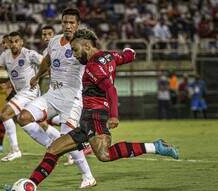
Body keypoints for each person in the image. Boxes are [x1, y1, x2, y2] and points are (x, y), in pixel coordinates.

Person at [11, 28, 178, 190]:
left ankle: (156, 146)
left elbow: (110, 89)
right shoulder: (109, 56)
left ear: (87, 46)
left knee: (104, 155)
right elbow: (127, 55)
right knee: (54, 149)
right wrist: (130, 51)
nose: (75, 55)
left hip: (96, 115)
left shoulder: (93, 67)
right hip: (87, 117)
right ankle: (30, 185)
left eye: (75, 50)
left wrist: (113, 116)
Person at [17, 8, 96, 188]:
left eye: (71, 23)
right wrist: (38, 76)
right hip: (52, 95)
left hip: (73, 99)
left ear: (78, 25)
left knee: (67, 138)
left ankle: (88, 176)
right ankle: (52, 145)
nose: (68, 26)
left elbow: (95, 62)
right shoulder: (53, 41)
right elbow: (47, 60)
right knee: (23, 117)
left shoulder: (84, 44)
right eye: (65, 22)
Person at [0, 31, 45, 162]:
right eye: (11, 42)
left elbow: (46, 63)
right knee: (36, 123)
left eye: (17, 41)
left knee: (5, 113)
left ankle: (15, 150)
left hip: (30, 92)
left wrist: (37, 77)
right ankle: (56, 146)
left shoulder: (29, 54)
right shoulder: (5, 55)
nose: (14, 44)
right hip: (21, 92)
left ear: (21, 42)